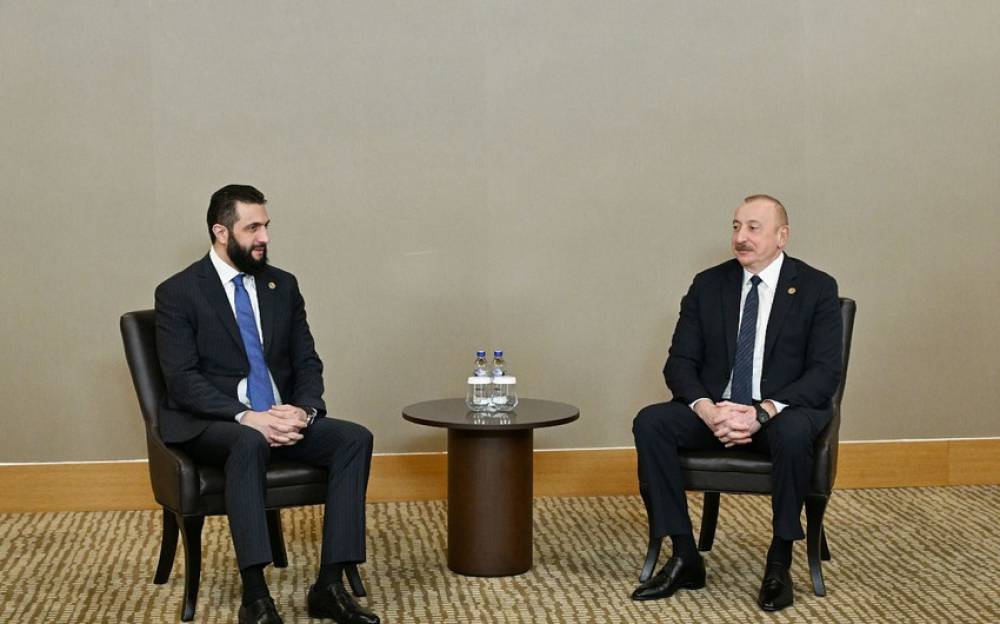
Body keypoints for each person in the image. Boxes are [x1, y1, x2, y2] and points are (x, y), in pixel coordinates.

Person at [155, 184, 380, 624]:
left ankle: (329, 586)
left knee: (354, 439)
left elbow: (306, 360)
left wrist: (304, 411)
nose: (265, 237)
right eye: (253, 228)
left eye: (266, 226)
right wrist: (246, 417)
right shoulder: (179, 292)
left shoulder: (282, 285)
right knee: (249, 441)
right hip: (215, 422)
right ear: (221, 232)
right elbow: (182, 382)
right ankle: (256, 598)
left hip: (278, 415)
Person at [631, 194, 842, 612]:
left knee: (794, 432)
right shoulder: (709, 285)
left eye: (753, 228)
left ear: (782, 236)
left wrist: (762, 412)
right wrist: (708, 410)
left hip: (780, 411)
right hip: (719, 410)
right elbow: (679, 363)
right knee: (650, 422)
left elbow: (823, 374)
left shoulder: (817, 288)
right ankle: (684, 555)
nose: (740, 237)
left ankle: (779, 561)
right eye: (735, 227)